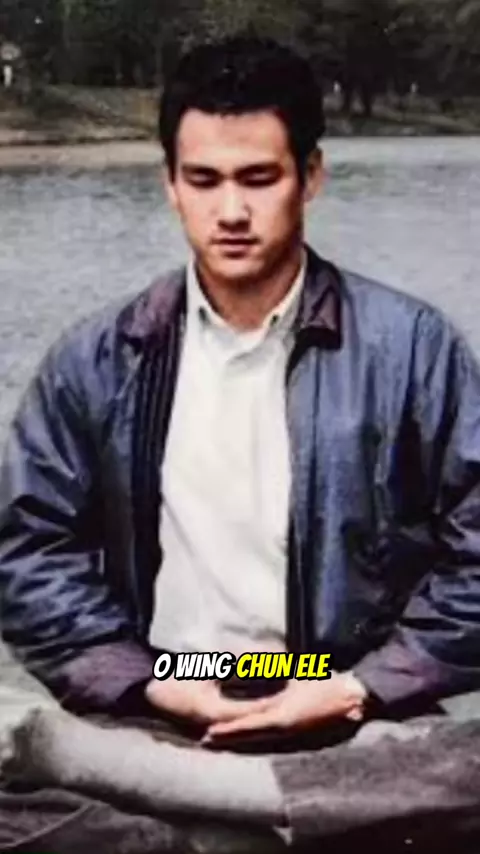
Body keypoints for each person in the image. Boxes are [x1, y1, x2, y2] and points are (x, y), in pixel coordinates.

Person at [1, 34, 480, 754]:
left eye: (258, 178)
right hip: (169, 686)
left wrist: (359, 685)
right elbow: (29, 552)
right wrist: (148, 683)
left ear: (310, 176)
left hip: (347, 696)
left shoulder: (413, 349)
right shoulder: (97, 358)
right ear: (170, 184)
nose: (230, 211)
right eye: (203, 180)